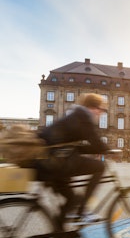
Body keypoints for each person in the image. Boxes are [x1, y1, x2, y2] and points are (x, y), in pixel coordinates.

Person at [36, 93, 109, 230]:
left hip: (49, 163)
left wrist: (97, 149)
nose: (101, 113)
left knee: (72, 200)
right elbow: (96, 143)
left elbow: (77, 147)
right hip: (57, 163)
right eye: (101, 109)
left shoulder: (75, 115)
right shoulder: (83, 117)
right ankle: (82, 212)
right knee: (99, 166)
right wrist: (108, 150)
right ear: (94, 107)